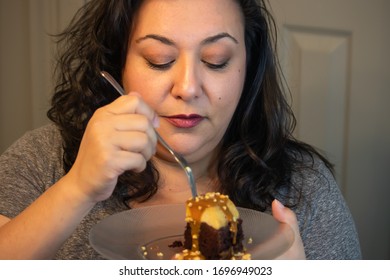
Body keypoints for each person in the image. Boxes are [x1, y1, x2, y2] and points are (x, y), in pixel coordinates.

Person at [0, 0, 361, 260]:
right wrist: (77, 188)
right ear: (118, 63)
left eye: (215, 61)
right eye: (161, 60)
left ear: (247, 70)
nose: (187, 87)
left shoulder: (303, 185)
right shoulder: (42, 159)